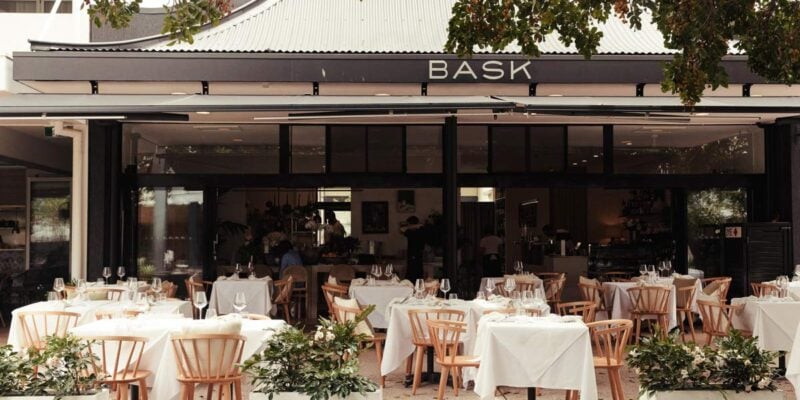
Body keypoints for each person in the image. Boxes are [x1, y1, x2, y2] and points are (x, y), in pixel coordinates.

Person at [401, 216, 426, 282]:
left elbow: (403, 229)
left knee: (414, 275)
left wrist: (414, 226)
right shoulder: (410, 231)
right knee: (414, 274)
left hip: (415, 256)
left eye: (408, 224)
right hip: (414, 256)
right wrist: (415, 225)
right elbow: (402, 229)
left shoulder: (419, 231)